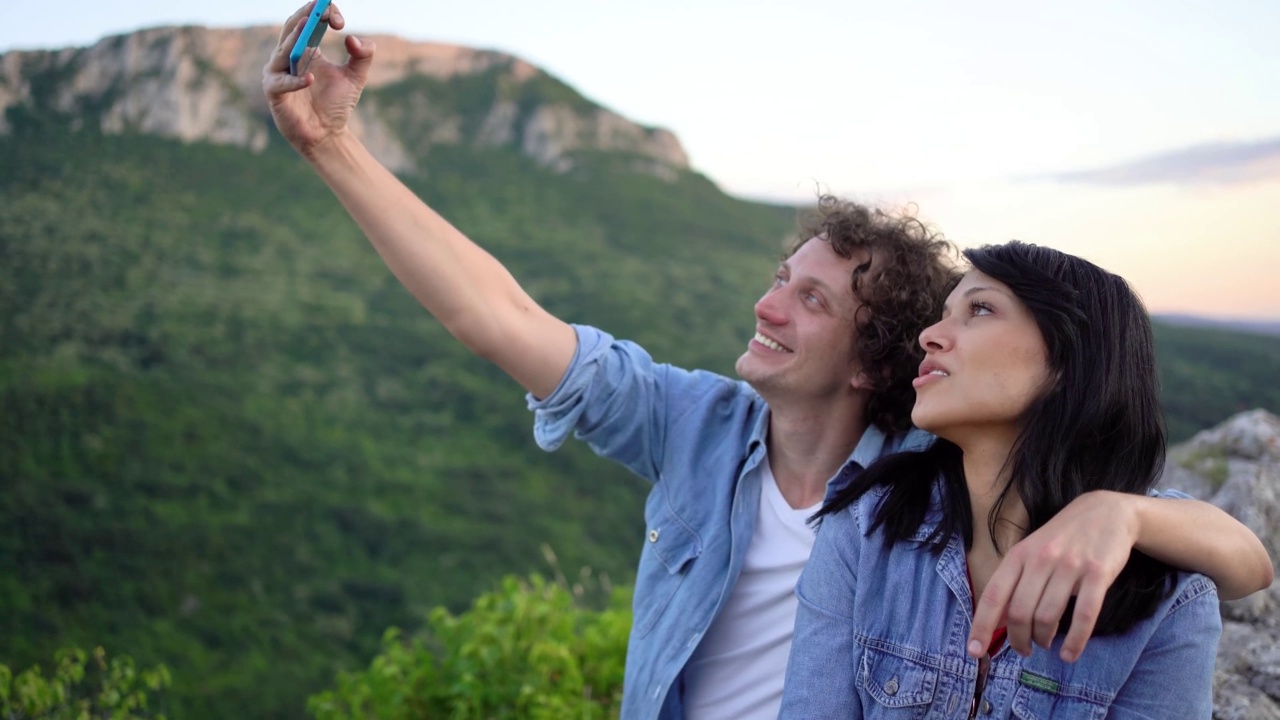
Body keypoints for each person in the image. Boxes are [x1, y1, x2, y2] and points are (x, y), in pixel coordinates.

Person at [261, 6, 1274, 719]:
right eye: (778, 276)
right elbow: (496, 314)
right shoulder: (698, 430)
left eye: (811, 298)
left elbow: (1226, 556)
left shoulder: (913, 489)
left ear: (876, 357)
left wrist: (1126, 511)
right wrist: (332, 147)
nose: (765, 304)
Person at [780, 241, 1257, 718]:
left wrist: (1121, 511)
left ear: (1069, 360)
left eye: (980, 309)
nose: (930, 335)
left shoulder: (1163, 597)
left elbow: (1253, 565)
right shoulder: (867, 528)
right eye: (944, 313)